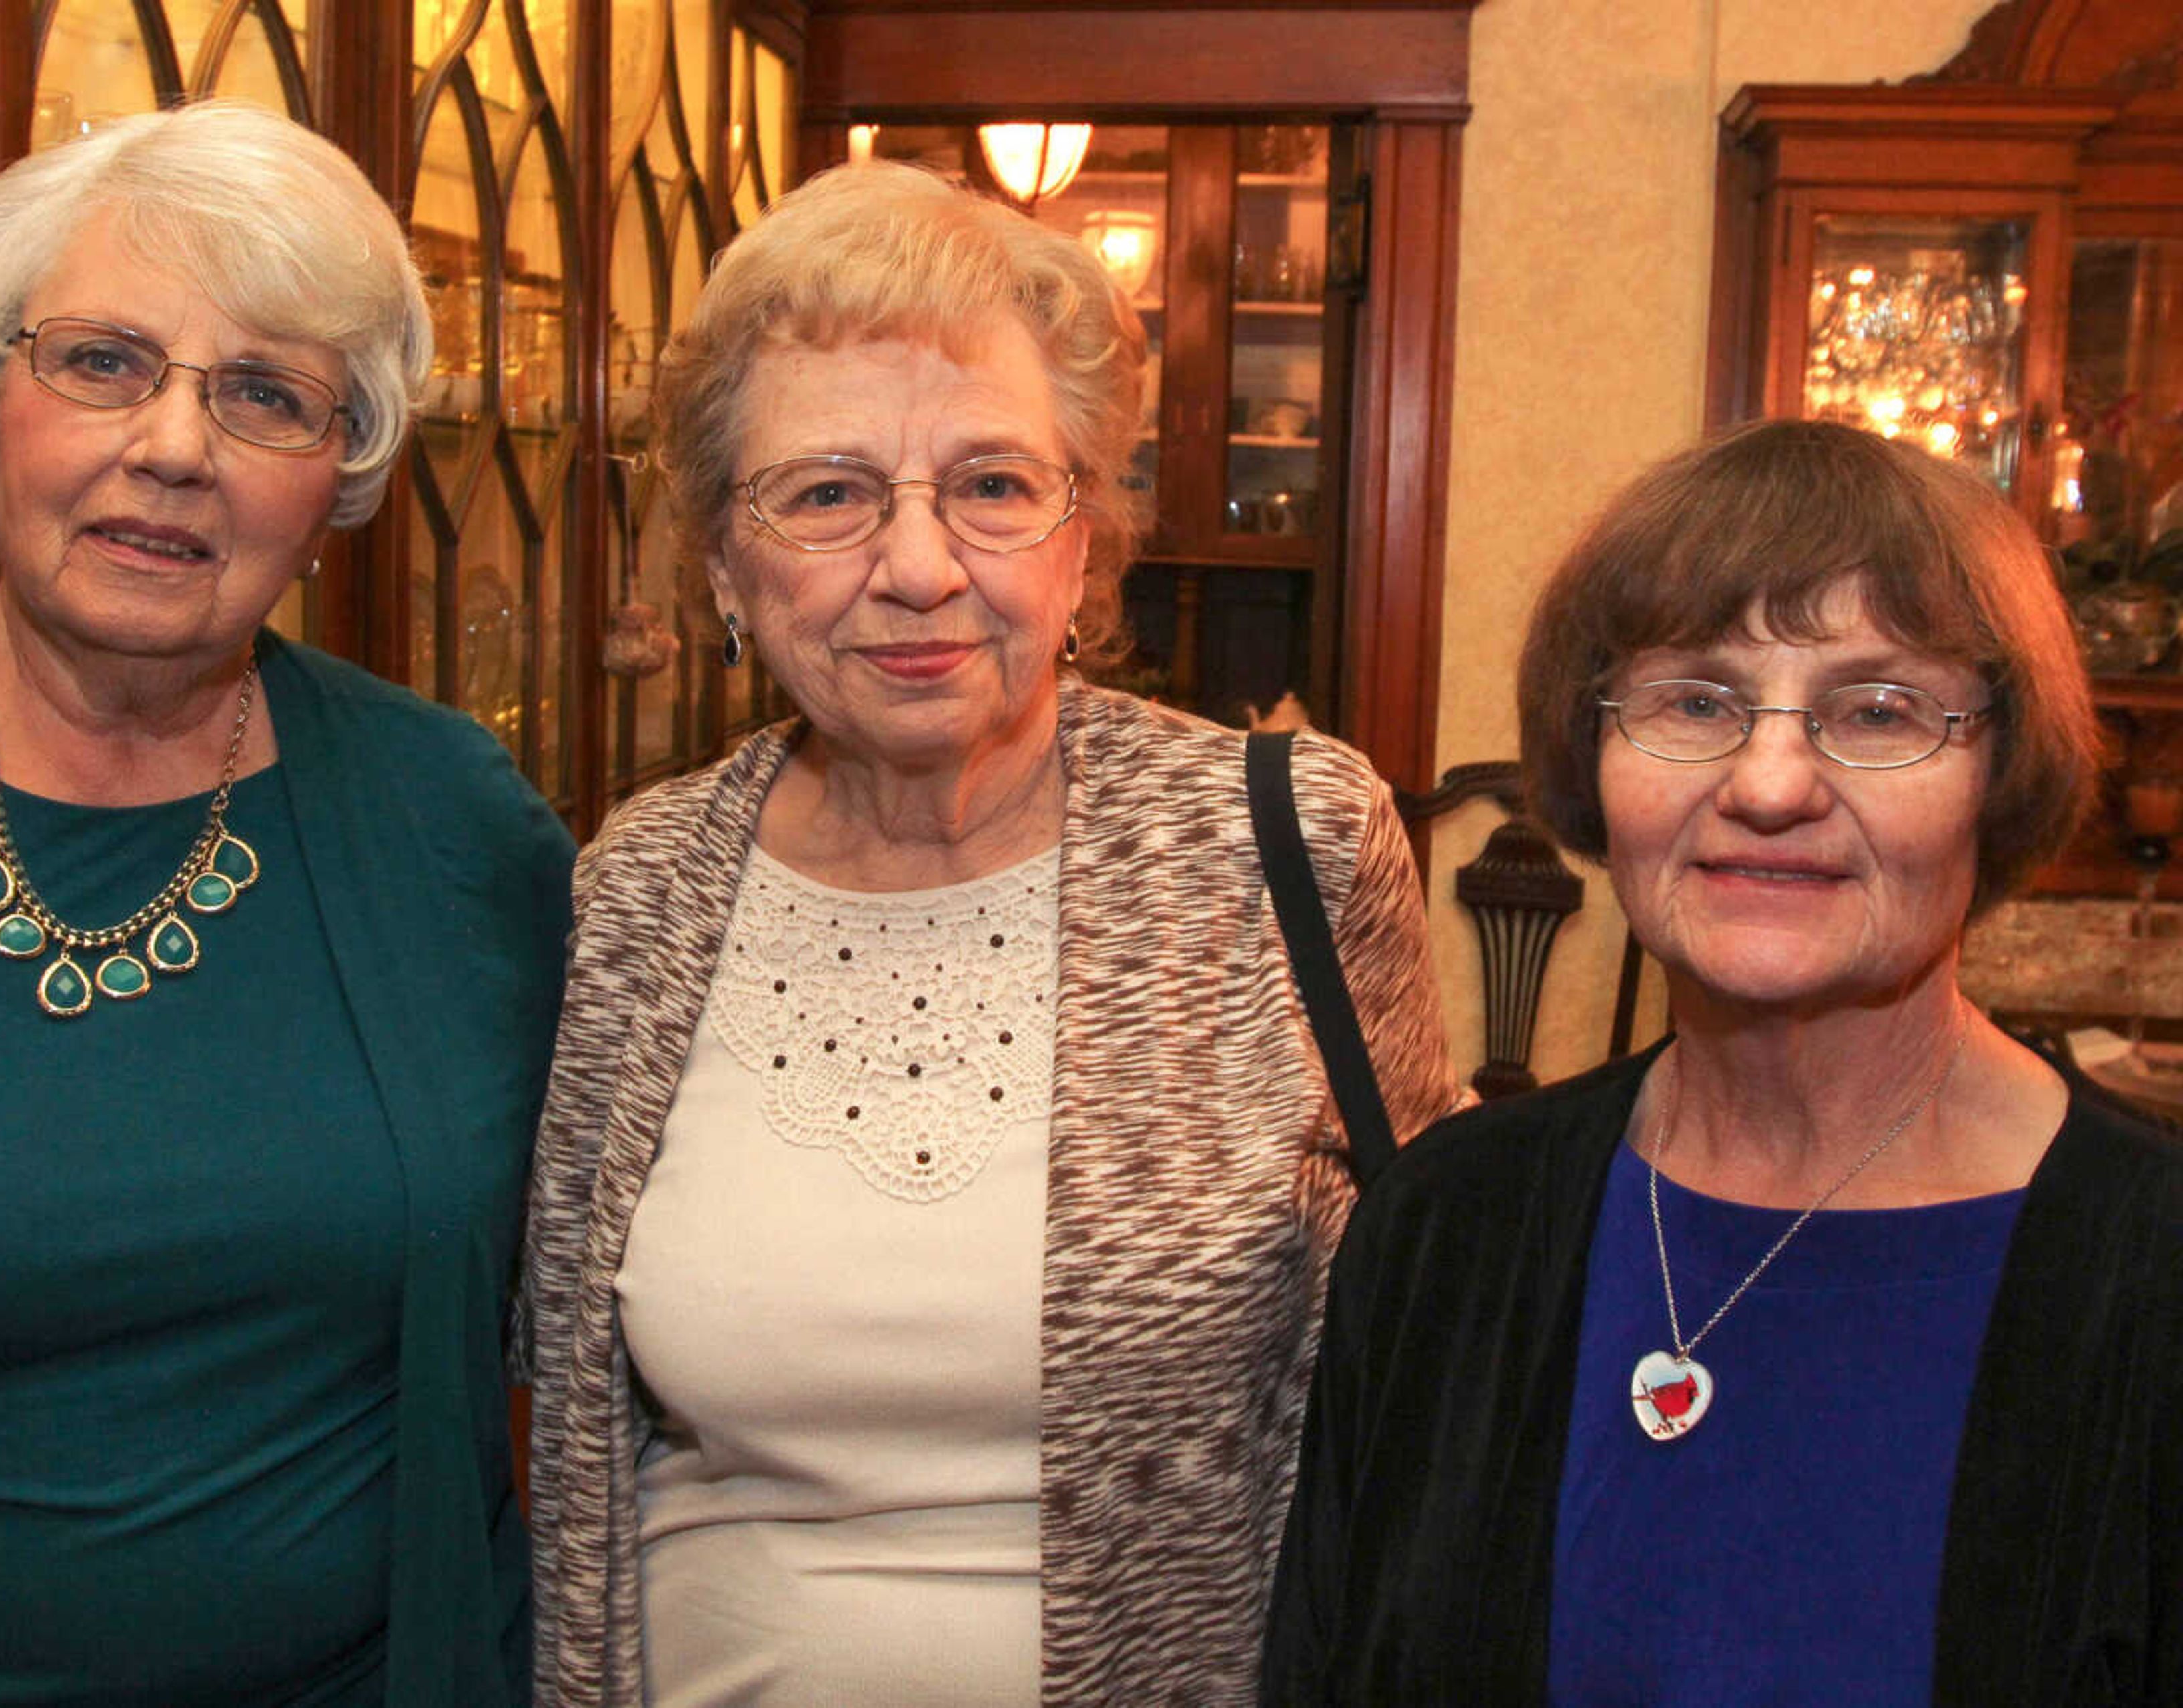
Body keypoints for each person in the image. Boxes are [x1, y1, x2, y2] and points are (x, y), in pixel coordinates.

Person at [0, 103, 571, 1705]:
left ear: (337, 486)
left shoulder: (459, 832)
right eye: (105, 361)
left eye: (268, 394)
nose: (178, 447)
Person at [520, 158, 1463, 1707]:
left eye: (994, 485)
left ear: (1084, 540)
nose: (917, 566)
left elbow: (1420, 1333)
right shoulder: (642, 883)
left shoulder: (1282, 842)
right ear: (722, 570)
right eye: (825, 494)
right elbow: (565, 1406)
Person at [1263, 419, 2183, 1705]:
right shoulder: (1446, 1231)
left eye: (1878, 709)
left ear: (2001, 769)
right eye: (1696, 699)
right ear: (1596, 755)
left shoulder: (2151, 1281)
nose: (1768, 782)